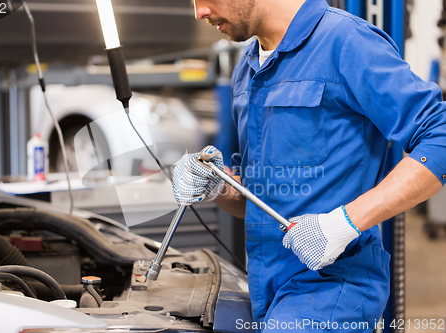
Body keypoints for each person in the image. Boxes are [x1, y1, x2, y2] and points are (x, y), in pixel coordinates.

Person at [172, 0, 446, 331]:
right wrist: (217, 186)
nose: (198, 12)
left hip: (332, 290)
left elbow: (439, 134)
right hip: (267, 291)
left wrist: (344, 223)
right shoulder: (247, 69)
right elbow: (263, 201)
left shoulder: (347, 43)